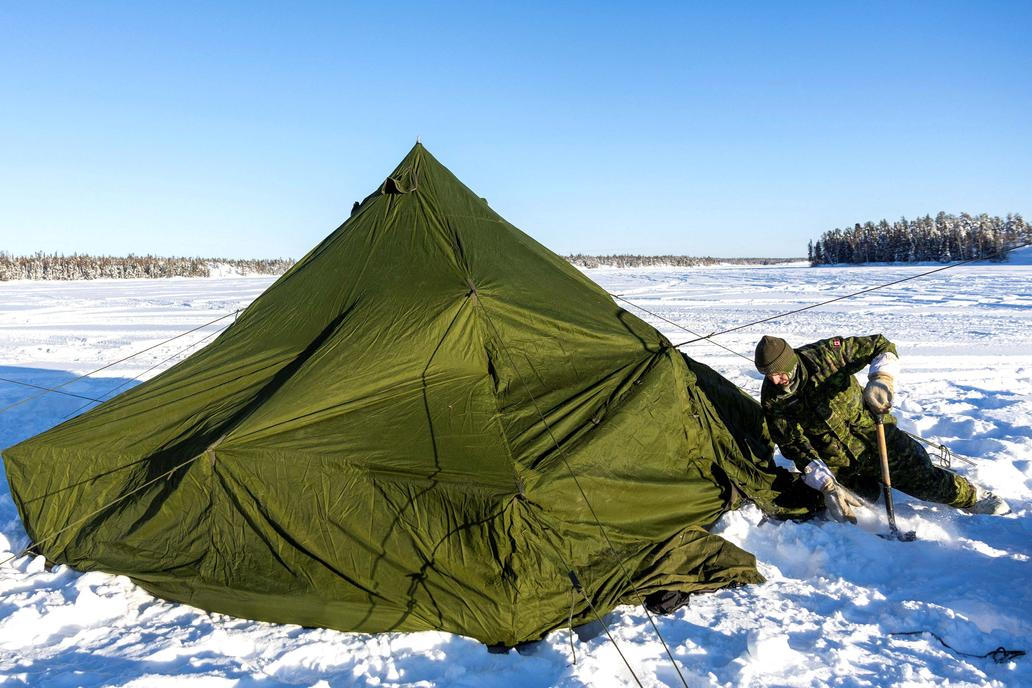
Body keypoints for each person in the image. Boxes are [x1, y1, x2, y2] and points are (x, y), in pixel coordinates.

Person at [754, 334, 1009, 522]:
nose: (776, 380)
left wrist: (881, 378)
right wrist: (825, 483)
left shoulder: (826, 355)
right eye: (768, 375)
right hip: (838, 461)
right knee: (827, 500)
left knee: (924, 482)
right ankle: (868, 489)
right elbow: (791, 443)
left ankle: (974, 497)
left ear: (790, 361)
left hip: (875, 437)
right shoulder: (774, 397)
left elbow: (881, 345)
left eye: (778, 372)